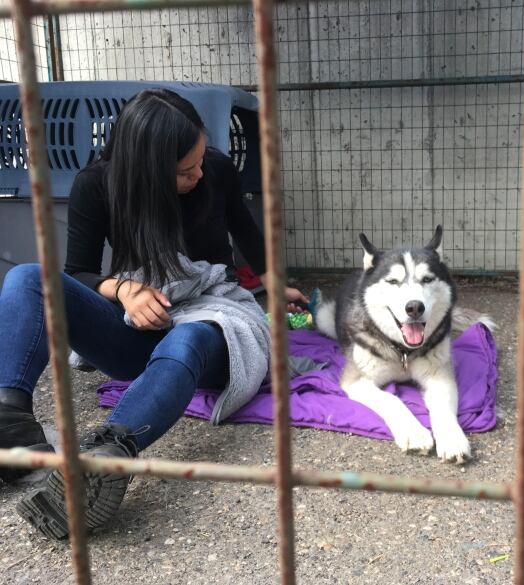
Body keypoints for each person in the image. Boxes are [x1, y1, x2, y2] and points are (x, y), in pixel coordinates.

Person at [0, 88, 307, 539]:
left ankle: (103, 459)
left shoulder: (215, 170)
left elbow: (246, 231)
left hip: (212, 314)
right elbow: (79, 272)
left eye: (201, 160)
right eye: (185, 171)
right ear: (145, 170)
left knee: (191, 337)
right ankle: (10, 423)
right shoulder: (97, 184)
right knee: (29, 278)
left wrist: (277, 288)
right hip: (141, 320)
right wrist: (123, 289)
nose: (199, 174)